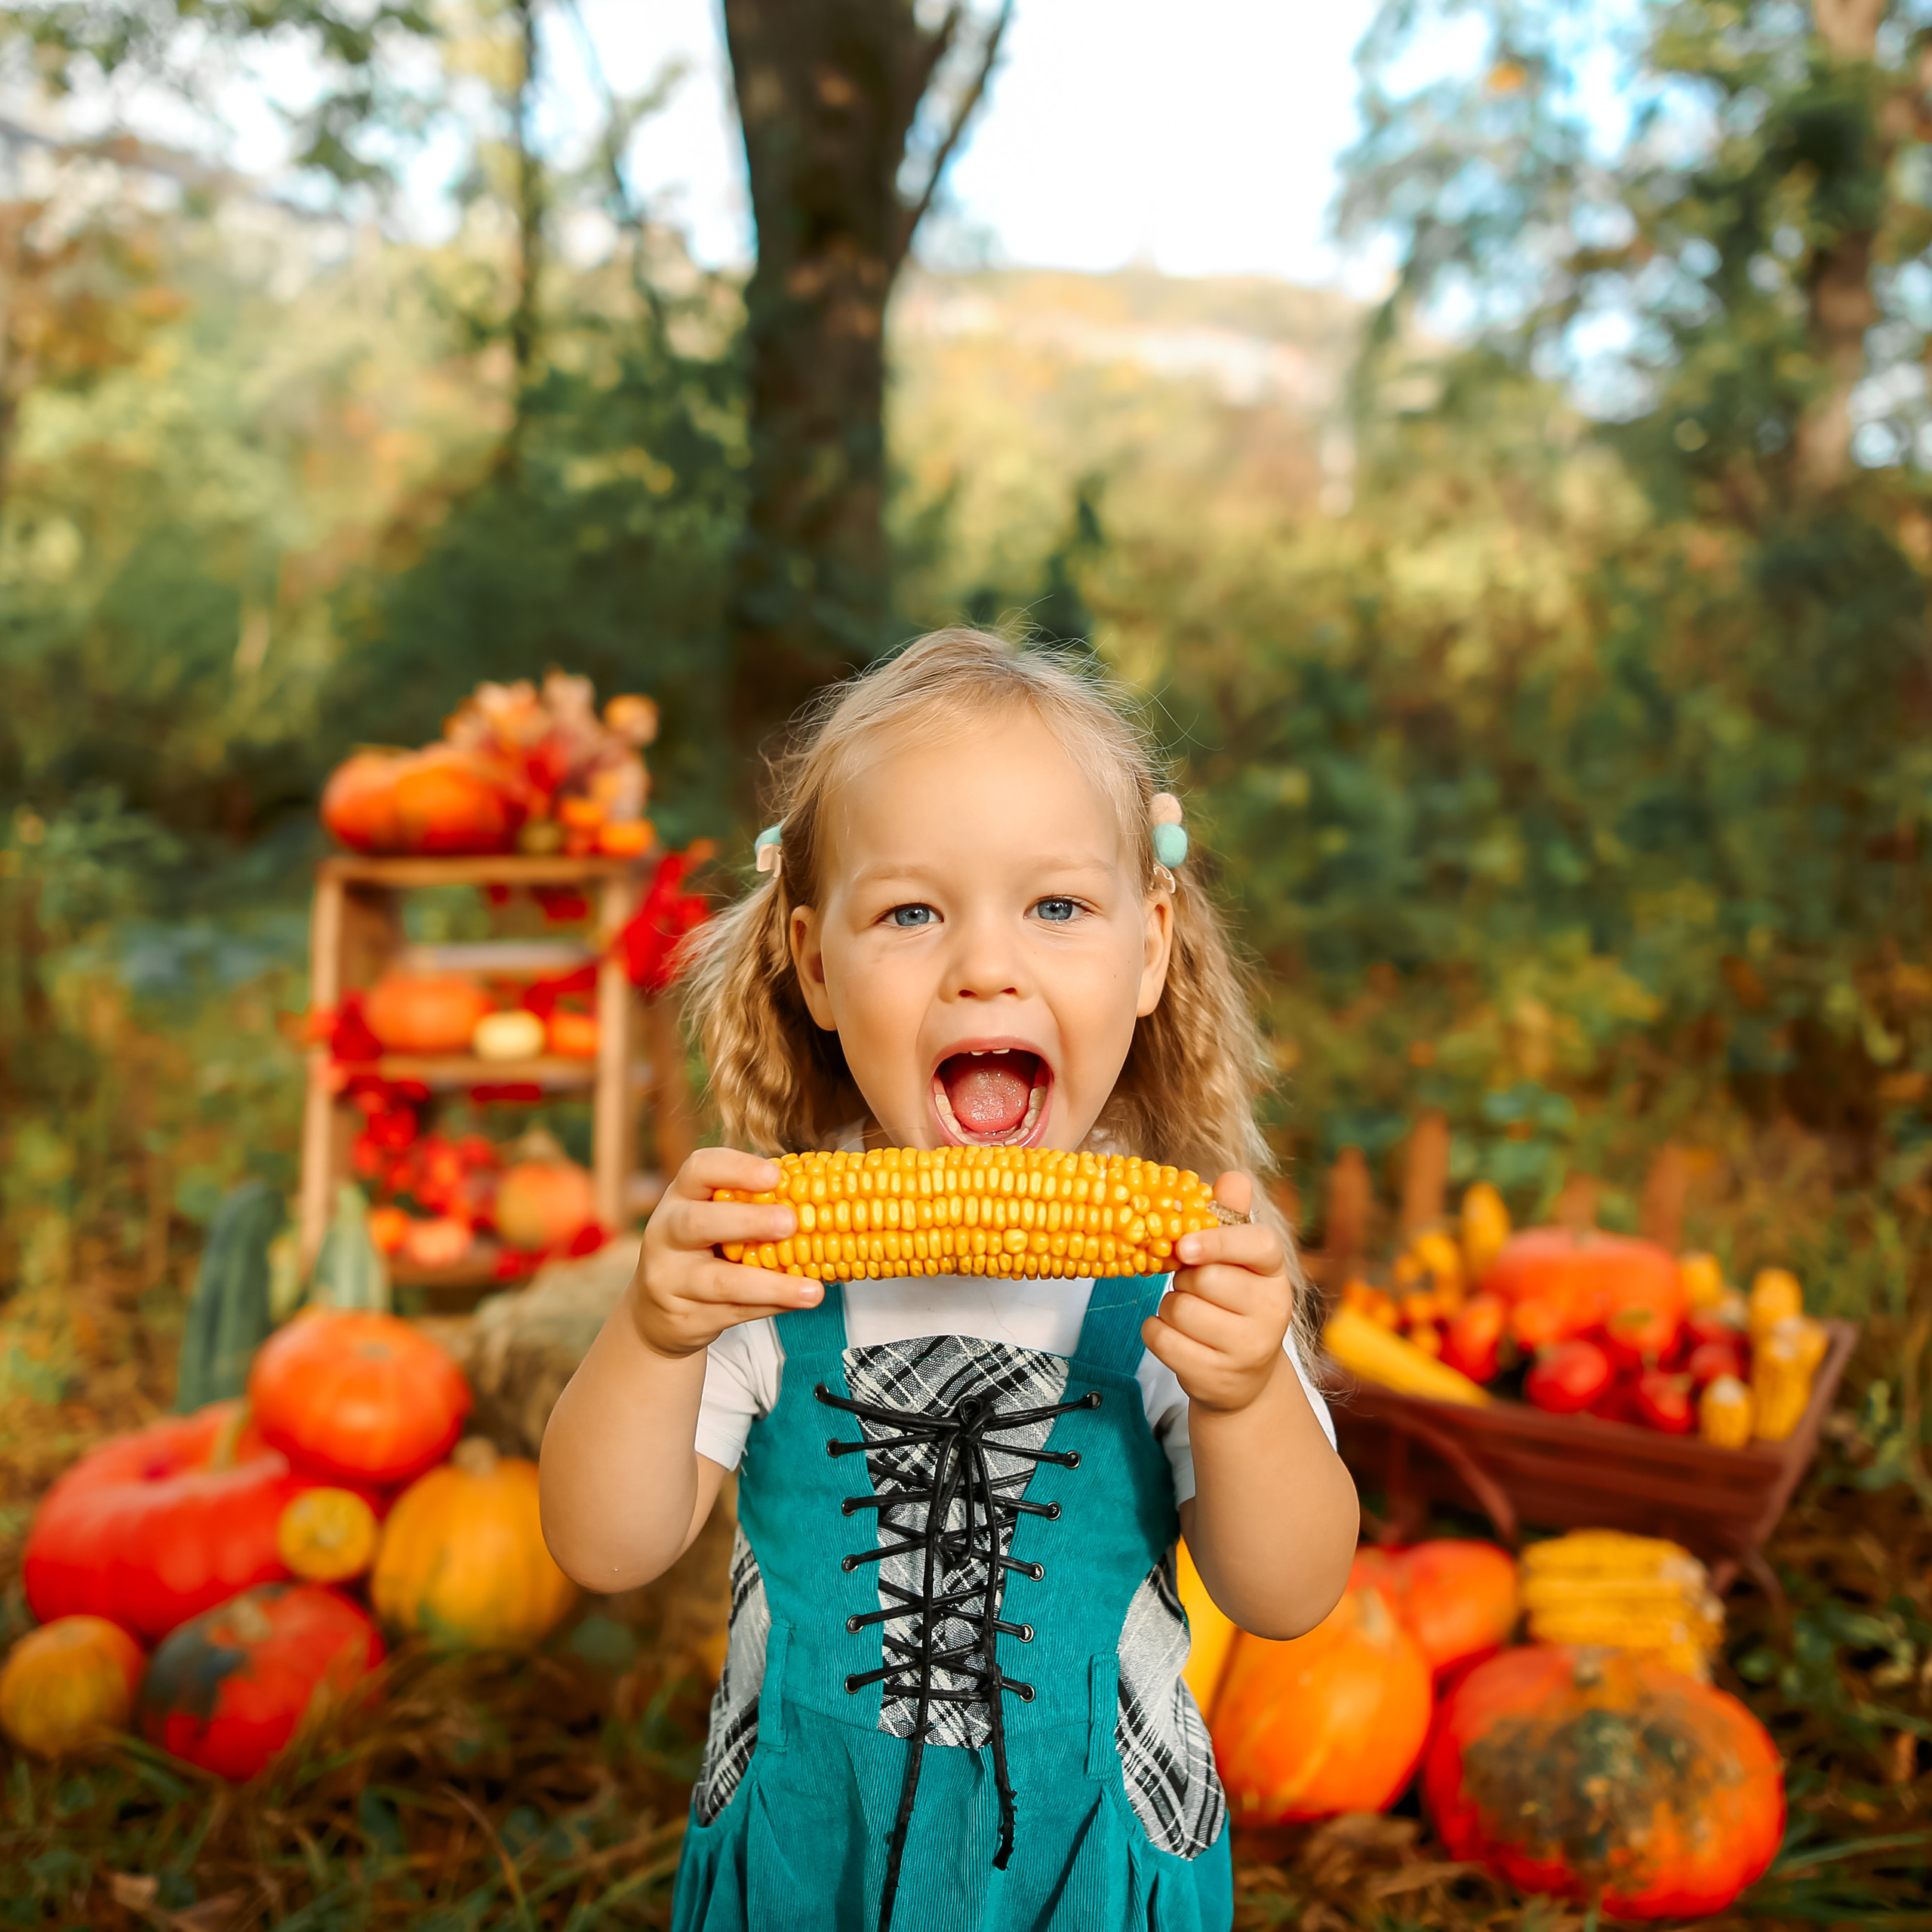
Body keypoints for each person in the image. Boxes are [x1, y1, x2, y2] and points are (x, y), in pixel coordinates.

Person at [540, 629, 1359, 1932]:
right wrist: (648, 1340)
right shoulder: (761, 1260)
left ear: (1148, 950)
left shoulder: (1187, 1278)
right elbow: (605, 1547)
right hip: (816, 1856)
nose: (986, 964)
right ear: (815, 965)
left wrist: (1249, 1395)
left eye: (1056, 907)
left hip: (1091, 1867)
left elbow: (1290, 1592)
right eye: (912, 912)